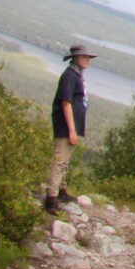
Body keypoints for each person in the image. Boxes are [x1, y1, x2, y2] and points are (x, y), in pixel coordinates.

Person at [45, 44, 95, 213]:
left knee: (64, 161)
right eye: (85, 57)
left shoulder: (76, 75)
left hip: (70, 126)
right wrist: (72, 130)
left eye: (88, 57)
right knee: (59, 161)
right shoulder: (69, 76)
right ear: (76, 58)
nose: (88, 60)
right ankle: (51, 198)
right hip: (66, 126)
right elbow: (65, 102)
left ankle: (61, 191)